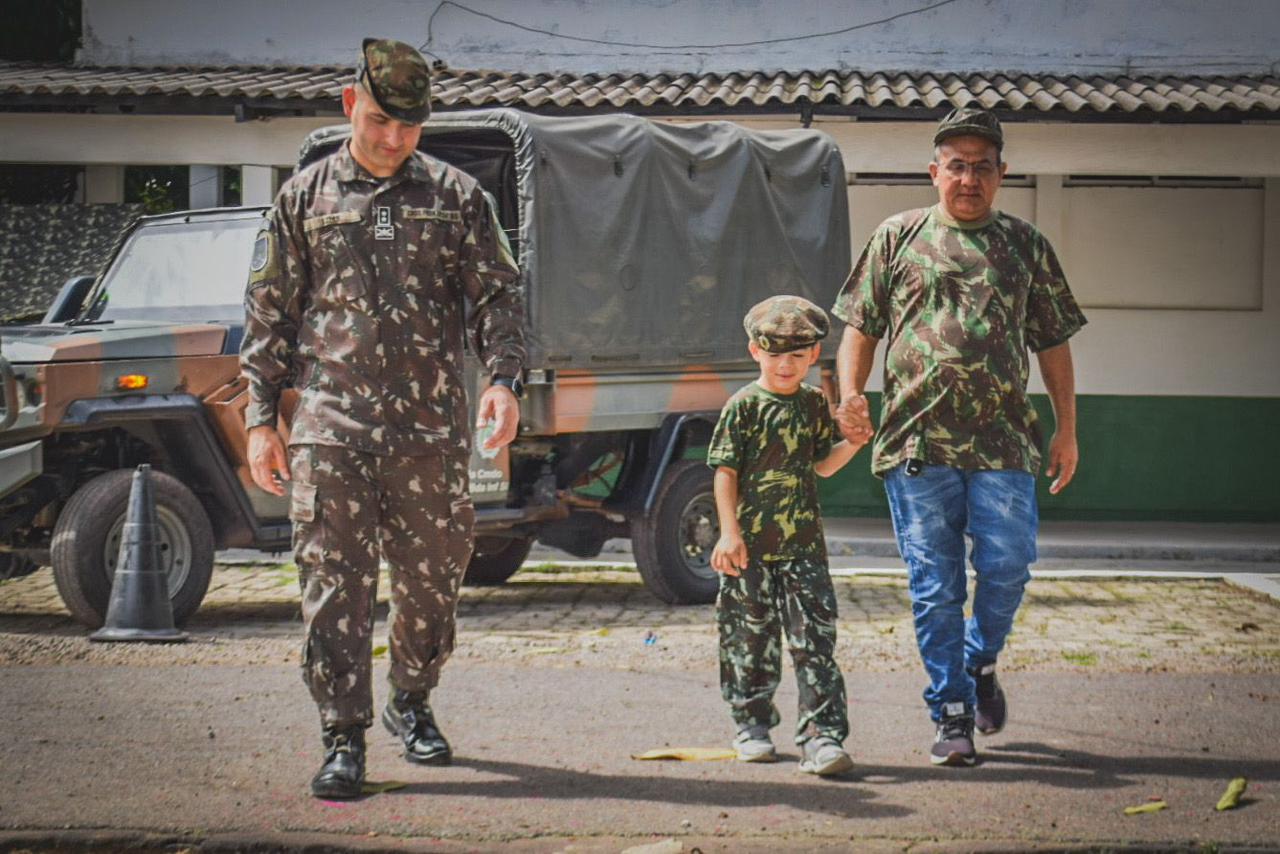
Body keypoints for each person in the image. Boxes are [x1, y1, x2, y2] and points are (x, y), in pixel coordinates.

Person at [239, 38, 526, 799]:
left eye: (409, 125)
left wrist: (503, 380)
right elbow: (267, 312)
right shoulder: (302, 198)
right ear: (349, 105)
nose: (393, 138)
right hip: (331, 429)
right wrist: (261, 418)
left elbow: (498, 295)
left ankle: (411, 698)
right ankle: (342, 735)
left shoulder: (459, 196)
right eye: (378, 121)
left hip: (429, 433)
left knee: (432, 584)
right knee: (335, 587)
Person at [831, 107, 1086, 766]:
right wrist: (851, 395)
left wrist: (1066, 430)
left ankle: (980, 660)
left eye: (982, 167)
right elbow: (859, 327)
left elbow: (1053, 342)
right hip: (917, 442)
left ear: (1001, 173)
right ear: (934, 171)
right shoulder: (897, 236)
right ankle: (950, 709)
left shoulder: (1026, 245)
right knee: (934, 585)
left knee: (1008, 567)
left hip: (1004, 441)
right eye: (956, 166)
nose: (968, 178)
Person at [707, 295, 873, 776]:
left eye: (798, 355)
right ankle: (752, 726)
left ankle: (822, 738)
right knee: (748, 639)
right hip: (749, 551)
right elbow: (724, 472)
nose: (786, 365)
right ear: (755, 351)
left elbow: (822, 464)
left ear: (814, 355)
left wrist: (854, 444)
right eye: (775, 354)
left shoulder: (814, 403)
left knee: (814, 642)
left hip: (803, 548)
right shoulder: (743, 406)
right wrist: (728, 534)